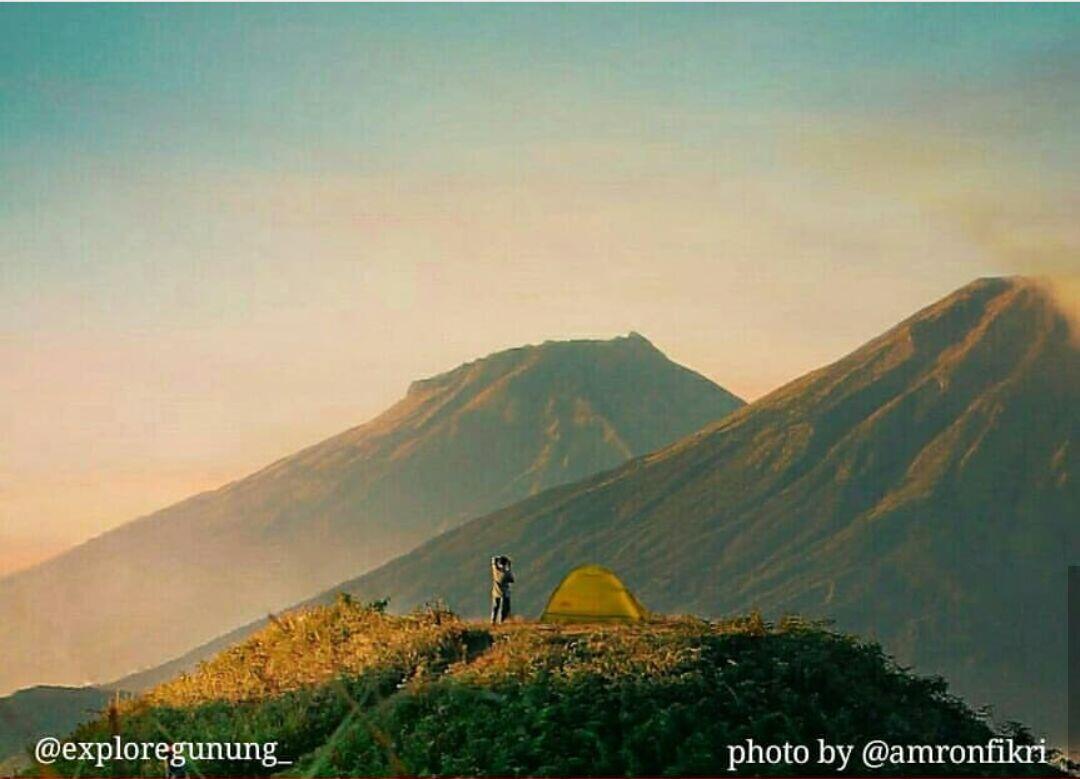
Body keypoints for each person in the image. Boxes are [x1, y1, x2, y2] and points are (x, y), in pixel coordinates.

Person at [490, 555, 514, 624]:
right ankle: (501, 621)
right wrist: (509, 566)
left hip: (495, 592)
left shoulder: (495, 571)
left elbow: (493, 563)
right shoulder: (506, 573)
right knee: (503, 609)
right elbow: (512, 580)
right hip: (505, 593)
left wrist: (496, 559)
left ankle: (493, 621)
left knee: (495, 607)